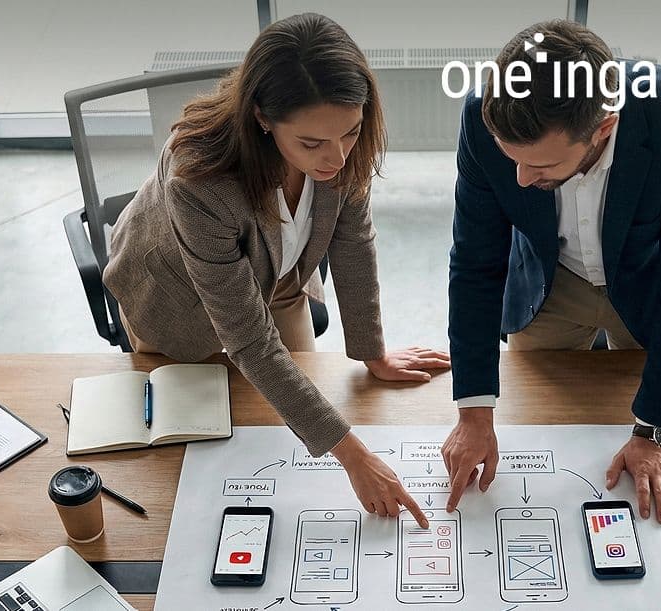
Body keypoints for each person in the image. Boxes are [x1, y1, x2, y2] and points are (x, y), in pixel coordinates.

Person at [103, 13, 447, 527]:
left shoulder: (341, 143)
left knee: (279, 420)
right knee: (198, 450)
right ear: (263, 117)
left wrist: (372, 353)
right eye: (312, 144)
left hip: (280, 278)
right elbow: (249, 342)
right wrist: (354, 456)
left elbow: (352, 244)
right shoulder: (198, 178)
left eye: (350, 134)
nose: (337, 157)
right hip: (174, 298)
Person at [441, 20, 661, 524]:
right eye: (513, 159)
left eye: (541, 165)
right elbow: (475, 263)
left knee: (645, 412)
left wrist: (653, 431)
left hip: (651, 283)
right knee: (543, 420)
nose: (520, 179)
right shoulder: (482, 115)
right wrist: (473, 412)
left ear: (604, 126)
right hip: (548, 283)